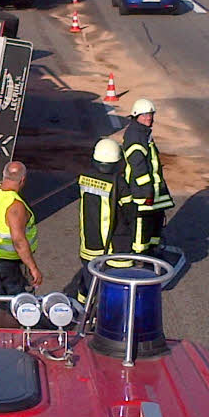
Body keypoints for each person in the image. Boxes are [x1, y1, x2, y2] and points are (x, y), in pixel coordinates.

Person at [0, 162, 43, 324]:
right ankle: (16, 340)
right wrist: (33, 268)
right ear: (23, 180)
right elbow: (19, 241)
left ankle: (4, 337)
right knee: (20, 305)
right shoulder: (15, 205)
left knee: (4, 303)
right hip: (16, 264)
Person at [66, 138, 123, 304]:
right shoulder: (118, 183)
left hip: (88, 243)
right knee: (110, 282)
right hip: (110, 246)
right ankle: (103, 313)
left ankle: (84, 310)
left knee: (88, 278)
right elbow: (129, 213)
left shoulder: (83, 178)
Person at [117, 98, 174, 258]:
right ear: (136, 116)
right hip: (143, 192)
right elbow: (138, 166)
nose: (148, 118)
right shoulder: (135, 135)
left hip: (152, 190)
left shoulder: (143, 132)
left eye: (150, 115)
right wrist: (146, 191)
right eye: (144, 115)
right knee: (143, 225)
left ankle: (151, 250)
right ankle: (140, 258)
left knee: (155, 220)